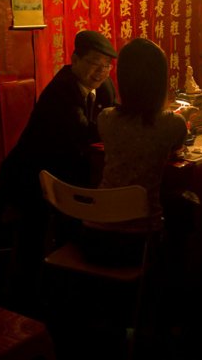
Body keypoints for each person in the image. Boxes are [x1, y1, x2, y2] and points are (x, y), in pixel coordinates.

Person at [0, 30, 117, 313]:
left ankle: (67, 288)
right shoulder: (61, 89)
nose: (100, 72)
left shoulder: (106, 86)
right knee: (35, 238)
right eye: (94, 63)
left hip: (67, 173)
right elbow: (85, 133)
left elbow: (108, 122)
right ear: (75, 59)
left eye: (106, 65)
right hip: (31, 176)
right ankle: (26, 301)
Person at [82, 38, 189, 263]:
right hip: (140, 244)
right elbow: (176, 147)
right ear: (160, 81)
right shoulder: (173, 124)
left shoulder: (106, 119)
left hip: (93, 238)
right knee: (187, 205)